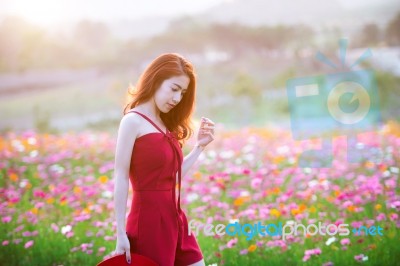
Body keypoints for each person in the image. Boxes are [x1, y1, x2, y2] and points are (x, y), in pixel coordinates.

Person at [112, 53, 215, 266]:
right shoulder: (132, 121)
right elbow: (120, 176)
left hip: (175, 218)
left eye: (182, 93)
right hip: (149, 222)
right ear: (156, 80)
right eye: (174, 89)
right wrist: (120, 233)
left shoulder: (164, 123)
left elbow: (173, 176)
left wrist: (199, 147)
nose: (177, 99)